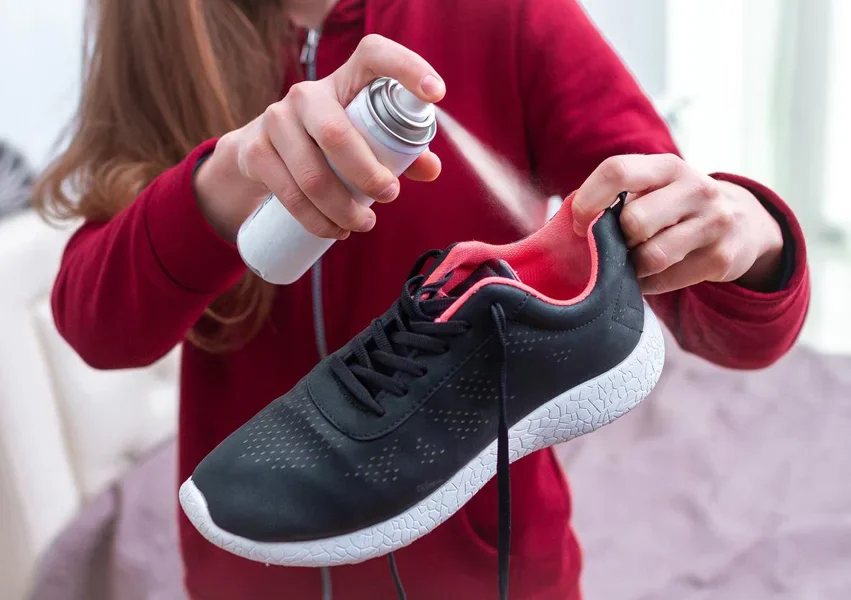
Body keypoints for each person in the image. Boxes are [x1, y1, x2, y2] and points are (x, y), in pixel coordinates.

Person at [36, 0, 810, 598]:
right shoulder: (161, 31)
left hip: (488, 575)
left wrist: (752, 232)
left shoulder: (506, 15)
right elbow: (98, 330)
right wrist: (223, 181)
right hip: (248, 561)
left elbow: (719, 315)